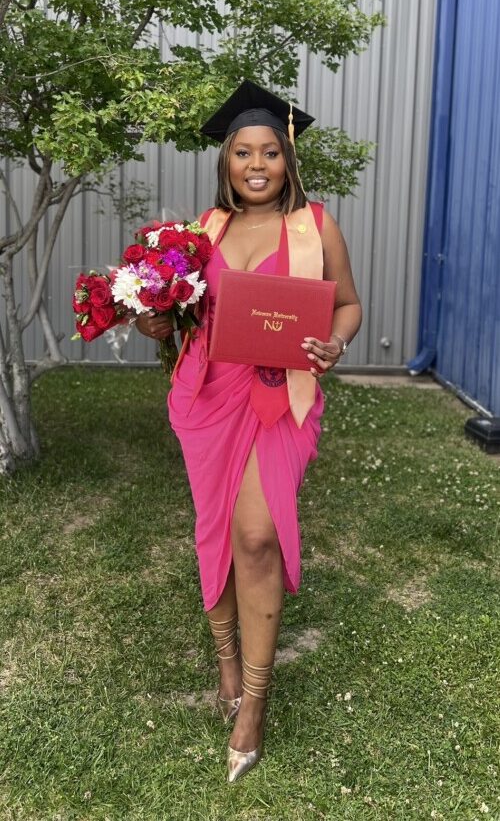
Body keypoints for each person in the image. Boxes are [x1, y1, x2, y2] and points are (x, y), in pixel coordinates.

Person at [136, 80, 362, 782]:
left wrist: (335, 343)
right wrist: (157, 322)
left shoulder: (316, 225)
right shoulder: (202, 234)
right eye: (243, 152)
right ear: (226, 161)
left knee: (258, 534)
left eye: (269, 150)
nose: (257, 163)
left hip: (281, 396)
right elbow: (180, 323)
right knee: (218, 529)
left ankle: (254, 704)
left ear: (288, 159)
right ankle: (228, 659)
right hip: (208, 395)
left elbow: (348, 306)